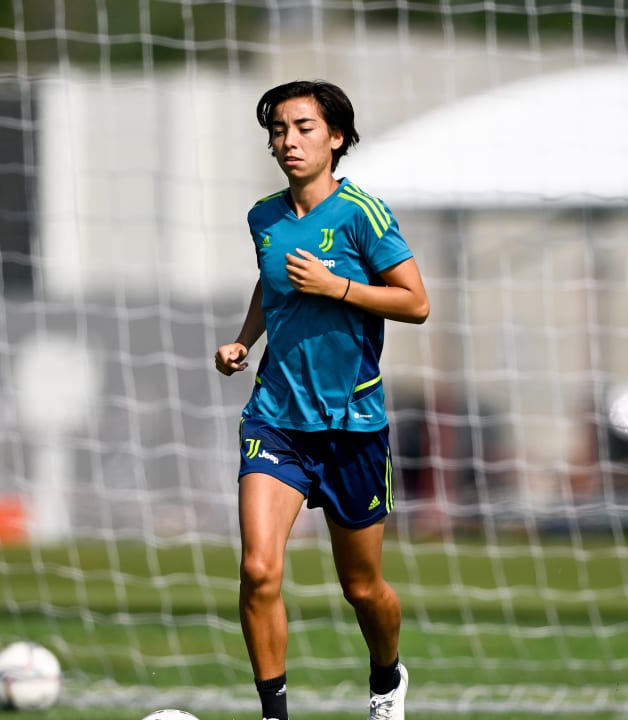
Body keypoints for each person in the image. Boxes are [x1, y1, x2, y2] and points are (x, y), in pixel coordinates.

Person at [215, 79, 430, 720]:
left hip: (352, 426)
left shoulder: (363, 213)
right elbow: (271, 281)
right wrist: (243, 340)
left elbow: (415, 302)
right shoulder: (264, 217)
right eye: (279, 130)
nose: (288, 141)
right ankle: (274, 716)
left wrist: (338, 287)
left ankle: (387, 678)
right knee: (258, 570)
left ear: (336, 138)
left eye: (304, 128)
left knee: (362, 588)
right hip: (276, 419)